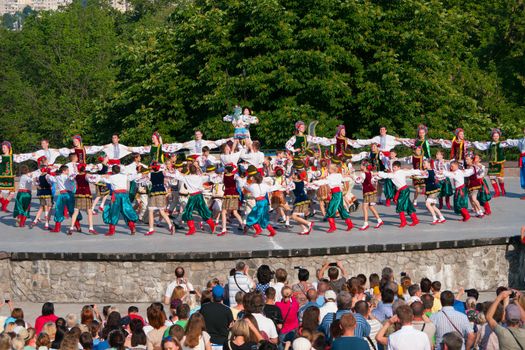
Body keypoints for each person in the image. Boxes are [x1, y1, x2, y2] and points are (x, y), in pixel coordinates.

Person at [94, 165, 138, 236]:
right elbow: (133, 177)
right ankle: (132, 227)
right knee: (126, 211)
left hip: (116, 196)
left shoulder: (111, 177)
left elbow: (101, 179)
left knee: (113, 212)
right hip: (124, 195)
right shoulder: (124, 176)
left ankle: (112, 231)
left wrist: (100, 176)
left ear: (113, 171)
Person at [376, 161, 422, 227]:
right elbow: (410, 172)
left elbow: (411, 172)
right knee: (408, 205)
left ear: (399, 167)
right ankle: (415, 220)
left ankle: (403, 222)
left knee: (399, 205)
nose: (393, 168)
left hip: (404, 190)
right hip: (402, 191)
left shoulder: (396, 173)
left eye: (395, 167)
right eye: (393, 167)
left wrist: (420, 172)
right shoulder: (397, 173)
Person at [313, 163, 354, 232]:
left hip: (336, 194)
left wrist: (315, 182)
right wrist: (350, 177)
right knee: (341, 208)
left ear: (332, 170)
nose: (327, 170)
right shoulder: (338, 175)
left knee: (330, 209)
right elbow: (343, 180)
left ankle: (333, 227)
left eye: (328, 169)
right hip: (339, 193)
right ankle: (350, 224)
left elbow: (324, 182)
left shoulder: (330, 177)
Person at [243, 172, 277, 237]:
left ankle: (258, 230)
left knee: (253, 216)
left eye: (253, 178)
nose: (252, 179)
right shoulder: (264, 185)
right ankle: (272, 231)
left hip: (260, 203)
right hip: (264, 202)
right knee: (263, 217)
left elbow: (246, 186)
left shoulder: (252, 186)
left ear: (255, 179)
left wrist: (245, 181)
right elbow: (271, 188)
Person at [356, 160, 383, 230]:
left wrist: (352, 176)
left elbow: (357, 181)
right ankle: (379, 220)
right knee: (371, 206)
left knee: (364, 207)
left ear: (364, 166)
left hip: (367, 192)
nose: (360, 166)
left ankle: (365, 223)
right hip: (372, 191)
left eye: (361, 165)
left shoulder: (363, 174)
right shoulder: (370, 172)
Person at [0, 141, 16, 212]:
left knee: (12, 193)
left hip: (10, 178)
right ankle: (4, 206)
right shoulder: (0, 157)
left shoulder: (13, 157)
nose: (3, 149)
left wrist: (33, 155)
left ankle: (4, 205)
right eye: (2, 147)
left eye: (4, 147)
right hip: (1, 177)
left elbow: (23, 156)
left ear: (8, 148)